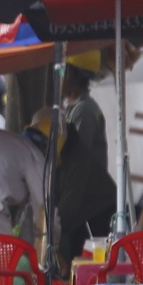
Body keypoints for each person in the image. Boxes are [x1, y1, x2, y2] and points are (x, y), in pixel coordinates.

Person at [52, 65, 117, 271]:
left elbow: (68, 209)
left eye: (61, 73)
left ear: (71, 74)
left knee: (88, 266)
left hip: (94, 206)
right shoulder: (73, 108)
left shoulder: (84, 110)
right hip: (85, 203)